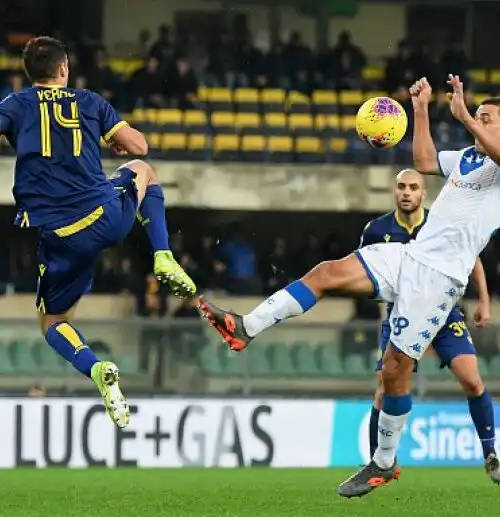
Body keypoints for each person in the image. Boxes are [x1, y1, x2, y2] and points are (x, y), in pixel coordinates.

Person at [198, 73, 500, 496]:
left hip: (441, 278)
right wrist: (420, 111)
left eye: (490, 118)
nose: (481, 123)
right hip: (410, 257)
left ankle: (385, 462)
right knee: (326, 272)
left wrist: (467, 115)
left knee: (396, 370)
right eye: (480, 116)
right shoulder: (469, 158)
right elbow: (426, 160)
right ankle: (245, 328)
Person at [0, 37, 196, 429]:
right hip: (106, 216)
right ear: (64, 69)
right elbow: (139, 144)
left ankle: (96, 367)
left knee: (54, 321)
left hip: (59, 235)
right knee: (143, 170)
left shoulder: (14, 105)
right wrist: (112, 141)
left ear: (29, 74)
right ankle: (162, 253)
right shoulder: (88, 101)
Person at [362, 168, 498, 483]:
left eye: (413, 187)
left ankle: (490, 454)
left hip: (444, 312)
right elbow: (366, 268)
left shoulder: (441, 222)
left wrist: (484, 300)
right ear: (395, 192)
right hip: (401, 315)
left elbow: (472, 257)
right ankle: (377, 463)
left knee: (472, 380)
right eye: (401, 187)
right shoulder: (375, 230)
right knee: (383, 389)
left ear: (424, 193)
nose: (406, 192)